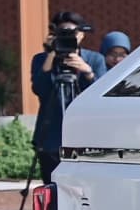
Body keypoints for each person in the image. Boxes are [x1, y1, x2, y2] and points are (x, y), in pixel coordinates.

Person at [28, 13, 95, 176]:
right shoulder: (41, 59)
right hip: (51, 136)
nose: (68, 37)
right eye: (63, 33)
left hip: (84, 137)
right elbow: (39, 89)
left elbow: (100, 97)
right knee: (51, 188)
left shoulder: (94, 59)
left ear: (82, 34)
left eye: (72, 33)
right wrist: (51, 54)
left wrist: (88, 72)